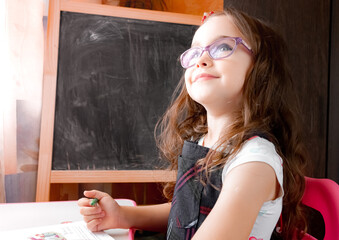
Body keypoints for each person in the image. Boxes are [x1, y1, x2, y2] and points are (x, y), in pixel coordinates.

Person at [78, 7, 309, 240]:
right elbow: (189, 212)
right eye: (195, 51)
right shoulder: (205, 142)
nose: (202, 59)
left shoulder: (254, 163)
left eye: (223, 47)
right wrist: (123, 216)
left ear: (262, 68)